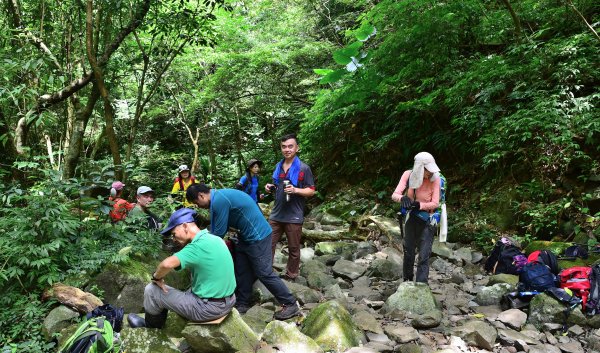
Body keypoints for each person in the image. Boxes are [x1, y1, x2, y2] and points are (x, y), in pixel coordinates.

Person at [186, 184, 301, 320]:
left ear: (201, 195)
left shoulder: (219, 200)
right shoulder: (218, 197)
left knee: (264, 273)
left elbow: (219, 232)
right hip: (243, 237)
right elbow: (216, 226)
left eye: (196, 202)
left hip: (258, 236)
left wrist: (198, 246)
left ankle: (290, 303)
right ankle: (242, 303)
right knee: (242, 270)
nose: (198, 206)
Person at [127, 208, 236, 328]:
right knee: (189, 286)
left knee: (151, 290)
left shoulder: (197, 246)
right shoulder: (214, 238)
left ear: (185, 226)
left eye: (174, 234)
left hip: (209, 309)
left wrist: (156, 278)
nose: (174, 239)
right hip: (228, 300)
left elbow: (166, 264)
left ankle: (151, 327)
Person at [265, 133, 315, 281]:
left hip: (294, 215)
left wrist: (296, 190)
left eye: (290, 146)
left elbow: (311, 190)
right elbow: (277, 185)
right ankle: (266, 273)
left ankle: (291, 275)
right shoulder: (278, 166)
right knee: (268, 244)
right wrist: (270, 187)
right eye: (284, 146)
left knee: (293, 248)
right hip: (276, 213)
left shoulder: (303, 168)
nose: (287, 149)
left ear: (297, 148)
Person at [391, 152, 441, 284]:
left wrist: (420, 205)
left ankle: (421, 285)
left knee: (424, 255)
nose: (430, 173)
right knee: (408, 252)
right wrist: (403, 198)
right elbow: (395, 195)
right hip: (412, 217)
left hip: (428, 219)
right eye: (428, 170)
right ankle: (407, 282)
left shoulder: (436, 179)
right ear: (419, 168)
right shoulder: (408, 175)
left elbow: (435, 203)